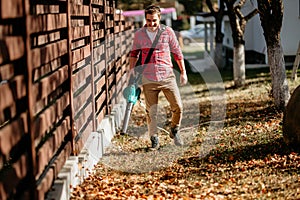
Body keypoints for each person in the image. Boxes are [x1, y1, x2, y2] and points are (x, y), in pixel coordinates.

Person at [129, 4, 188, 150]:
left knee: (178, 107)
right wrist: (132, 70)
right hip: (148, 78)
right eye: (149, 20)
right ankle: (154, 139)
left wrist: (183, 72)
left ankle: (174, 130)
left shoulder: (168, 32)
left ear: (159, 18)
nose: (151, 23)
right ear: (145, 19)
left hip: (167, 76)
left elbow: (177, 53)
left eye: (154, 20)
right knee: (152, 112)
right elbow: (134, 54)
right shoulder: (139, 34)